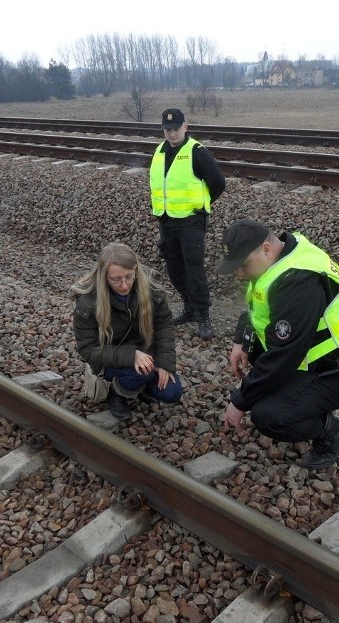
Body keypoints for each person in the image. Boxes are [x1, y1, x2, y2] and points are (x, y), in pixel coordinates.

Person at [215, 219, 339, 470]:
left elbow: (283, 355)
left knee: (269, 416)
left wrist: (240, 401)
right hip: (315, 356)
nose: (239, 274)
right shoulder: (282, 257)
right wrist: (242, 340)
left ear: (266, 249)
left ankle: (332, 432)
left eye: (243, 266)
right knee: (262, 372)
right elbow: (257, 305)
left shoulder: (297, 282)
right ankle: (293, 396)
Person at [72, 242, 183, 421]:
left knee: (172, 392)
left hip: (146, 354)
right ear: (103, 277)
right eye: (116, 279)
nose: (124, 285)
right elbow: (88, 350)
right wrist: (132, 356)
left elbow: (164, 326)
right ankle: (117, 393)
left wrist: (164, 363)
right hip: (109, 361)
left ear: (136, 272)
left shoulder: (151, 291)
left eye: (129, 277)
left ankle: (136, 384)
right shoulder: (88, 303)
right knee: (144, 372)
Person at [150, 107, 226, 340]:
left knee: (194, 268)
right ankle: (189, 307)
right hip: (167, 219)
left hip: (191, 220)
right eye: (167, 130)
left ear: (185, 127)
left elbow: (218, 183)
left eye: (175, 129)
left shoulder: (197, 152)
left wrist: (201, 204)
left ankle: (203, 314)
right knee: (174, 267)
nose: (171, 134)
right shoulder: (160, 151)